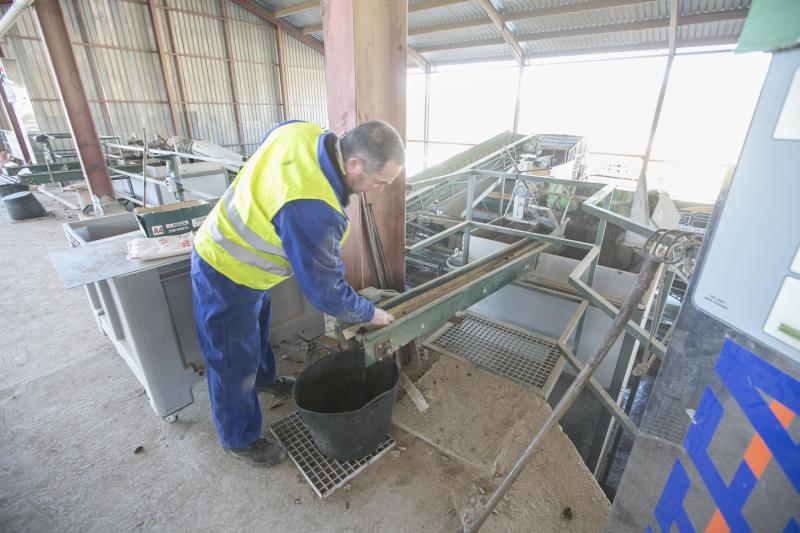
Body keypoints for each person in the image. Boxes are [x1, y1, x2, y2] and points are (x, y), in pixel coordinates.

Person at [191, 120, 403, 467]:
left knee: (257, 331)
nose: (376, 193)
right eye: (378, 183)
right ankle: (238, 437)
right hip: (224, 266)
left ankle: (265, 379)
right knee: (231, 358)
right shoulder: (315, 208)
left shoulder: (303, 132)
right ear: (354, 164)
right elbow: (326, 291)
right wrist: (370, 313)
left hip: (251, 264)